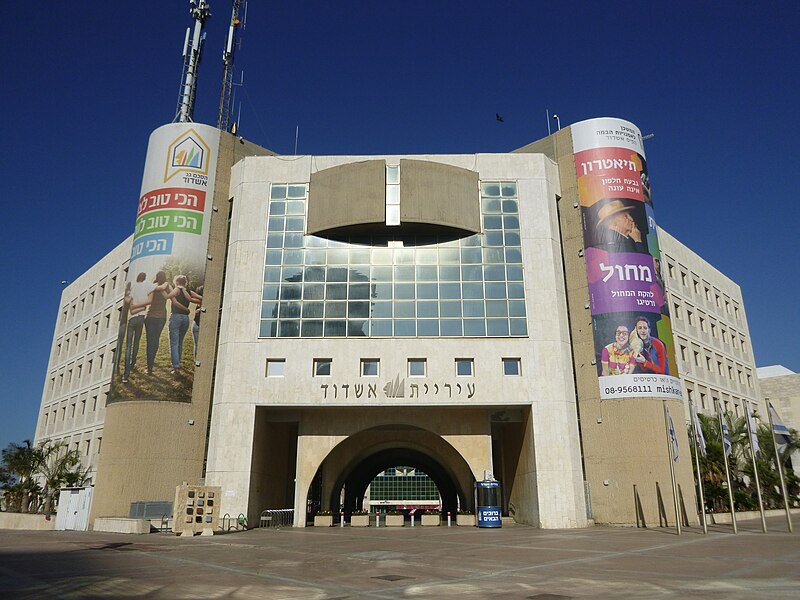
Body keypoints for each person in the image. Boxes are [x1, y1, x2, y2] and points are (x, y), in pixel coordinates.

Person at [122, 272, 154, 383]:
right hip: (141, 318)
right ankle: (133, 363)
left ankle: (126, 375)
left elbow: (128, 302)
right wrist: (142, 307)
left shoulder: (133, 288)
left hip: (132, 318)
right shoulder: (146, 287)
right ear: (144, 278)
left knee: (128, 346)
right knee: (136, 342)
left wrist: (128, 296)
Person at [143, 271, 172, 375]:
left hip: (150, 316)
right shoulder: (167, 287)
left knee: (150, 342)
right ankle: (151, 363)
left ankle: (149, 367)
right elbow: (172, 296)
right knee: (155, 340)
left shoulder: (152, 286)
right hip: (161, 317)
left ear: (156, 277)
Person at [167, 275, 192, 375]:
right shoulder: (188, 292)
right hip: (185, 318)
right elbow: (197, 298)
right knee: (180, 342)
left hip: (176, 317)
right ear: (185, 282)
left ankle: (176, 367)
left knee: (174, 343)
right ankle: (178, 364)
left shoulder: (176, 290)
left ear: (176, 282)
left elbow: (170, 297)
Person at [190, 285, 204, 360]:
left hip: (197, 325)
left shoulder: (200, 301)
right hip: (197, 326)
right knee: (198, 345)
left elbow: (190, 295)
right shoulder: (201, 301)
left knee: (197, 345)